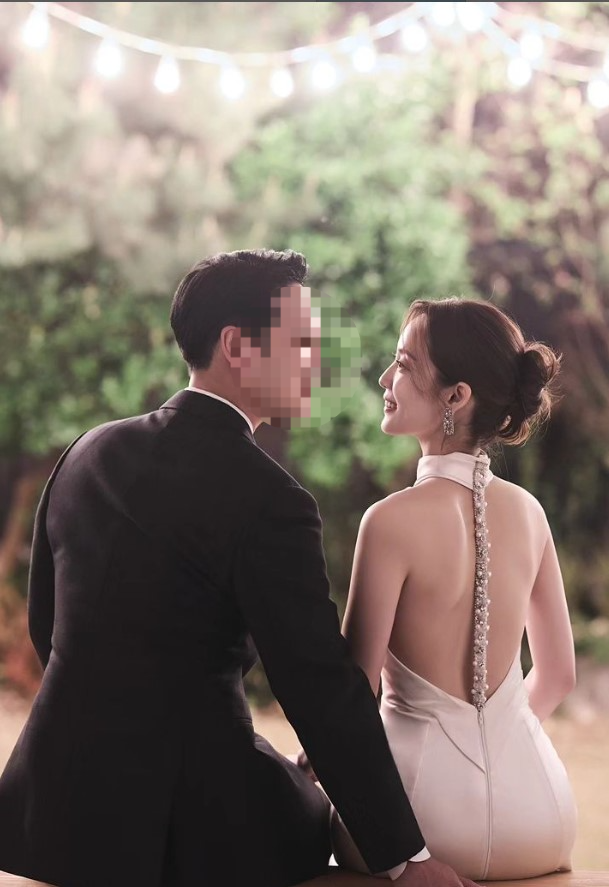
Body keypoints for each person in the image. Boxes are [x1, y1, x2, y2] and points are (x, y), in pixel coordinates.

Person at [0, 251, 477, 887]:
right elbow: (317, 687)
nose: (316, 361)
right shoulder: (271, 500)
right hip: (192, 827)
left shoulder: (86, 452)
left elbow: (50, 625)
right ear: (236, 347)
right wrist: (406, 859)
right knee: (309, 812)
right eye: (300, 343)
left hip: (47, 813)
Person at [320, 297, 577, 881]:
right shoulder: (530, 513)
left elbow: (354, 693)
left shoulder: (388, 522)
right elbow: (559, 675)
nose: (386, 378)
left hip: (417, 823)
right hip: (540, 816)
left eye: (404, 364)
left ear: (456, 396)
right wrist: (499, 747)